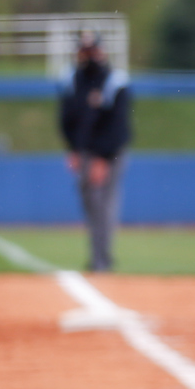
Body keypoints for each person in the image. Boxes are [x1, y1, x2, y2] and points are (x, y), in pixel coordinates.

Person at [58, 30, 132, 273]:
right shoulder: (73, 80)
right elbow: (67, 119)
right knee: (91, 203)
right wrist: (74, 150)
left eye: (91, 50)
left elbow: (118, 126)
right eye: (84, 50)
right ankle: (98, 257)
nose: (87, 55)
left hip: (110, 153)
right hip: (86, 152)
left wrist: (104, 158)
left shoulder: (114, 81)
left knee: (103, 204)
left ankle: (102, 259)